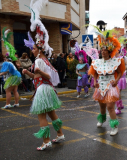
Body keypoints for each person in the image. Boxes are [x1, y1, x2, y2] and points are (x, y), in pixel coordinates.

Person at [23, 1, 64, 150]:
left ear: (39, 49)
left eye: (33, 48)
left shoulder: (39, 60)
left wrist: (38, 72)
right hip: (46, 89)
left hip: (42, 90)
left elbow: (45, 75)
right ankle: (59, 134)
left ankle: (46, 141)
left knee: (41, 116)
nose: (32, 50)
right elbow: (38, 76)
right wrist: (28, 72)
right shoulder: (43, 59)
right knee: (52, 114)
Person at [88, 27, 125, 136]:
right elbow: (94, 72)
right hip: (100, 85)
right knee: (102, 106)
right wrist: (95, 81)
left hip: (111, 85)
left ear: (109, 52)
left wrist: (117, 80)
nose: (103, 52)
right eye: (102, 50)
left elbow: (120, 72)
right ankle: (102, 119)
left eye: (105, 50)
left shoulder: (115, 61)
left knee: (110, 106)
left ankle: (114, 127)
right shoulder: (97, 62)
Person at [0, 28, 21, 109]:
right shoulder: (11, 62)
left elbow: (5, 72)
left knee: (8, 90)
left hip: (13, 77)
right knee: (15, 90)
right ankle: (16, 103)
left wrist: (0, 74)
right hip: (17, 76)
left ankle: (8, 104)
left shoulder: (6, 63)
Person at [114, 48, 127, 114]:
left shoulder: (122, 58)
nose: (115, 52)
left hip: (120, 77)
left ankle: (118, 108)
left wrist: (122, 70)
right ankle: (119, 106)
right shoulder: (114, 58)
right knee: (118, 93)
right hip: (116, 77)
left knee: (117, 93)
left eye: (116, 51)